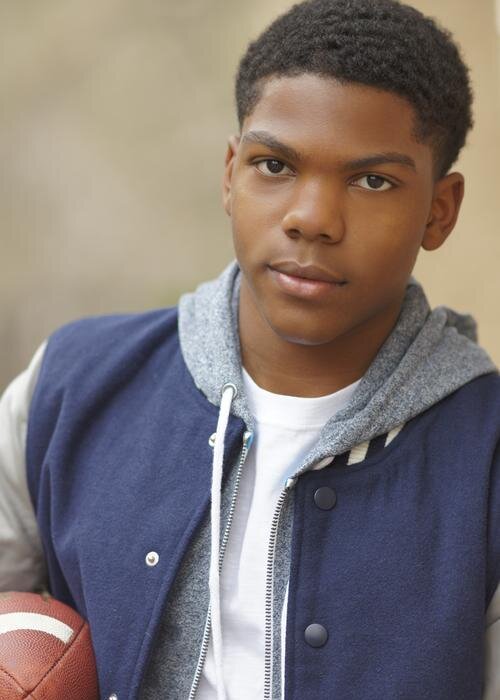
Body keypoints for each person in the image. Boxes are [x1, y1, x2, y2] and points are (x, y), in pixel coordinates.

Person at [0, 0, 498, 697]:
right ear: (231, 173)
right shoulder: (71, 386)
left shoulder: (485, 455)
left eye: (372, 180)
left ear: (439, 212)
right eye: (274, 165)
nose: (312, 219)